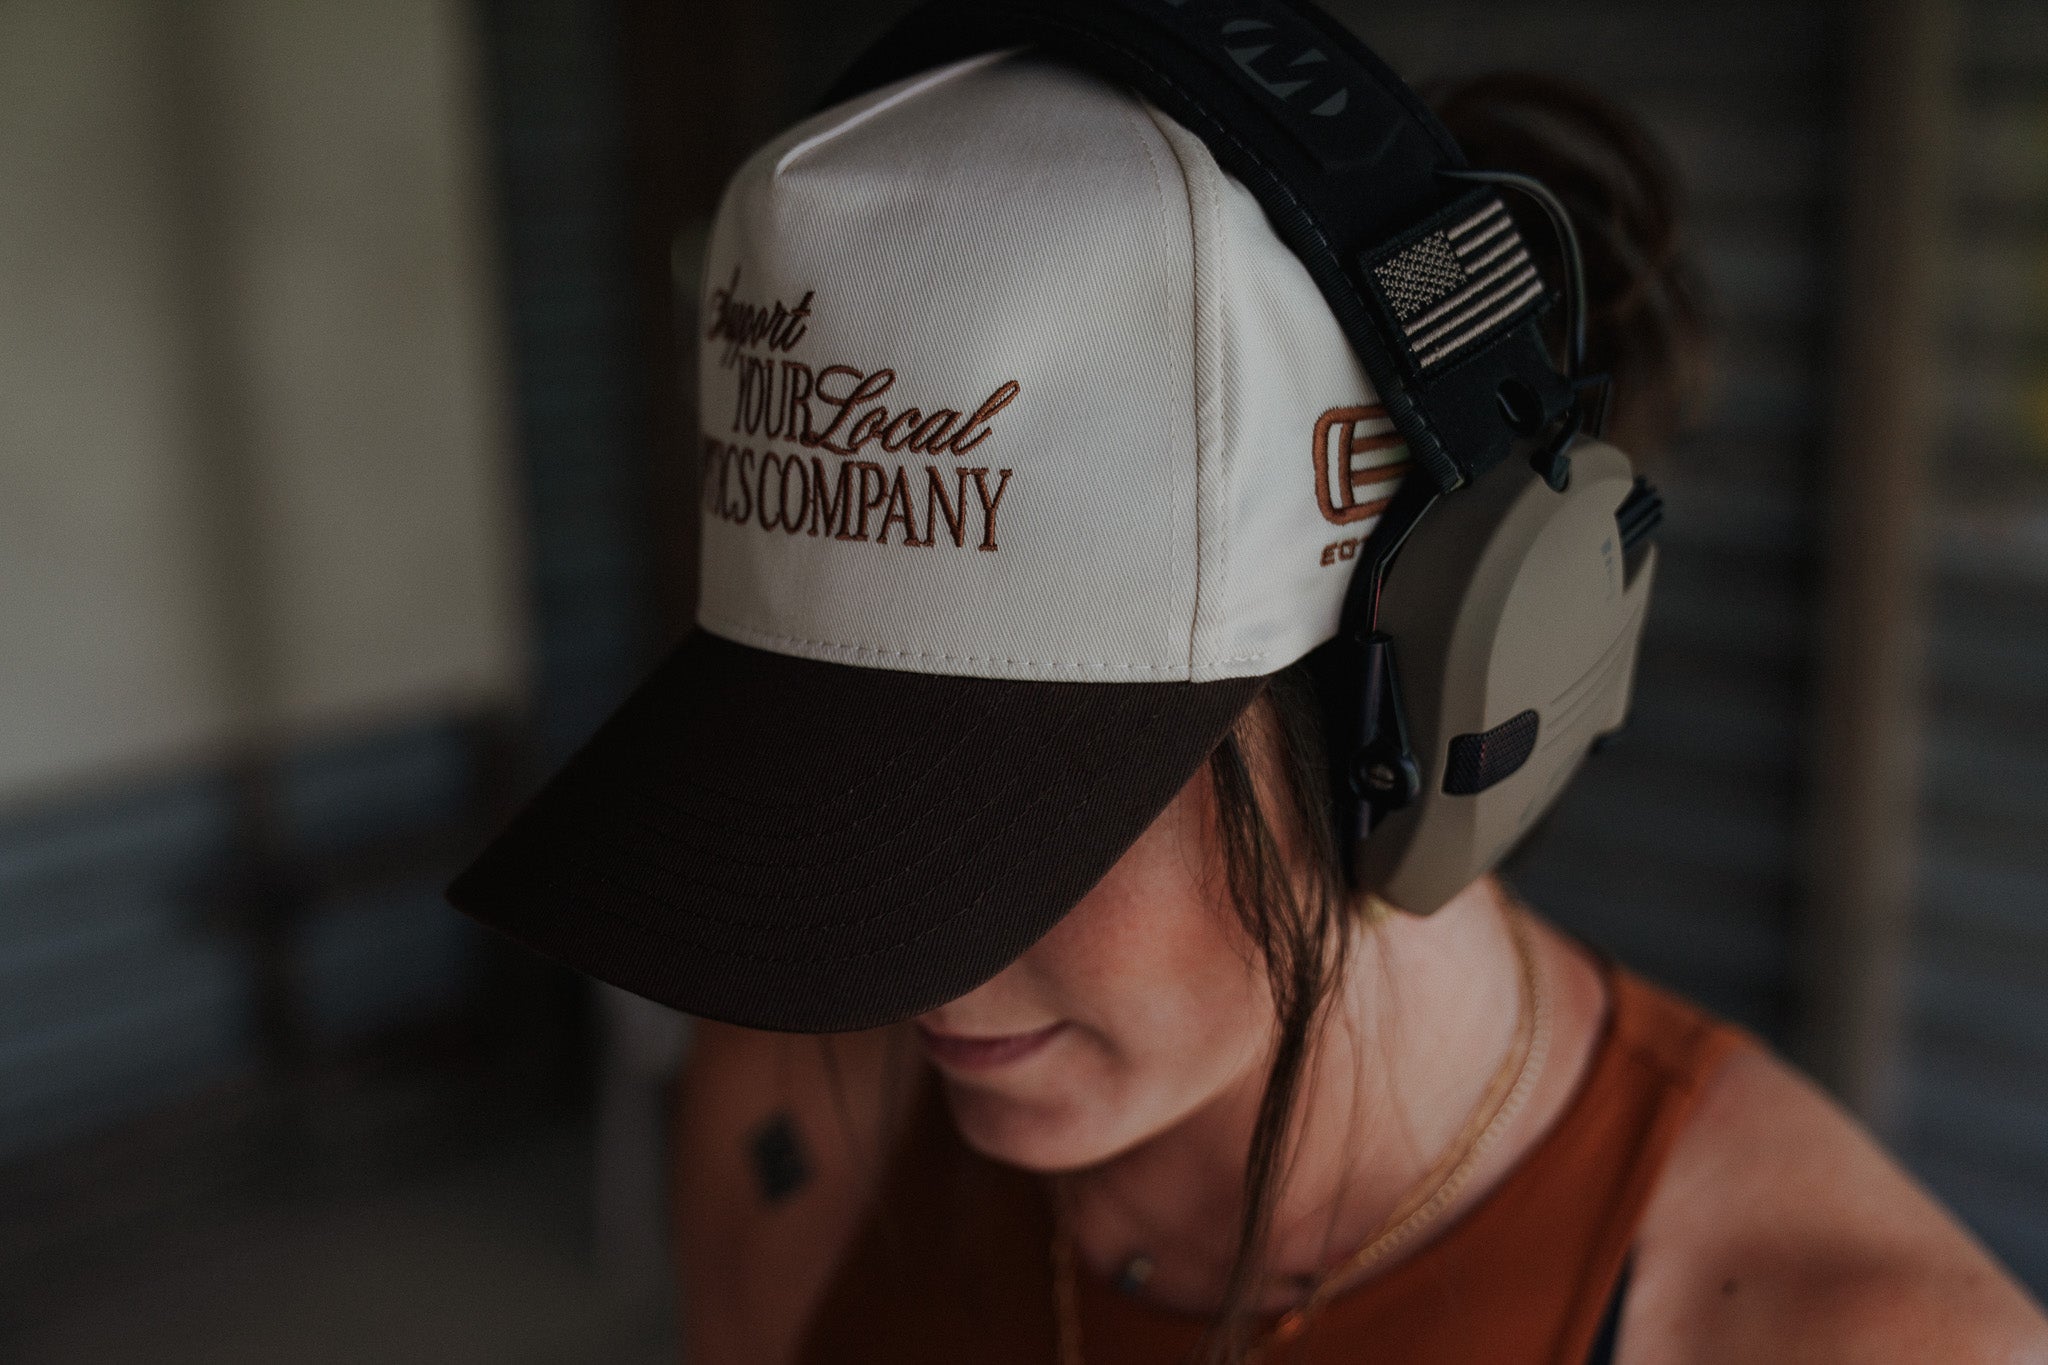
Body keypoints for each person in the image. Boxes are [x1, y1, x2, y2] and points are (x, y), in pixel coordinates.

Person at [447, 15, 2048, 1364]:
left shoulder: (1858, 1338)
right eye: (828, 782)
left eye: (1023, 806)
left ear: (1426, 704)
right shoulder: (797, 1095)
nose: (911, 950)